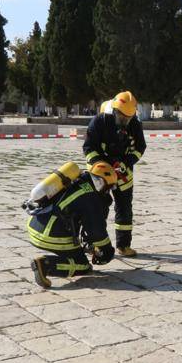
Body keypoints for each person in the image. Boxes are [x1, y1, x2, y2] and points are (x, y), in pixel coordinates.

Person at [27, 163, 117, 288]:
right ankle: (45, 265)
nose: (107, 192)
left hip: (35, 225)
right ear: (101, 183)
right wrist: (106, 251)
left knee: (76, 252)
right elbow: (96, 232)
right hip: (49, 233)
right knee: (82, 265)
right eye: (108, 188)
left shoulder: (78, 181)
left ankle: (50, 261)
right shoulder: (91, 198)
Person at [83, 91, 146, 257]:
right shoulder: (99, 121)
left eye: (128, 118)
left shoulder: (135, 124)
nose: (125, 121)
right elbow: (88, 148)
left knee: (124, 208)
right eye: (122, 118)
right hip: (100, 173)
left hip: (123, 173)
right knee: (98, 207)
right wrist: (99, 164)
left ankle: (123, 245)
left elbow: (140, 148)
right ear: (115, 111)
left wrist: (127, 162)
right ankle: (92, 244)